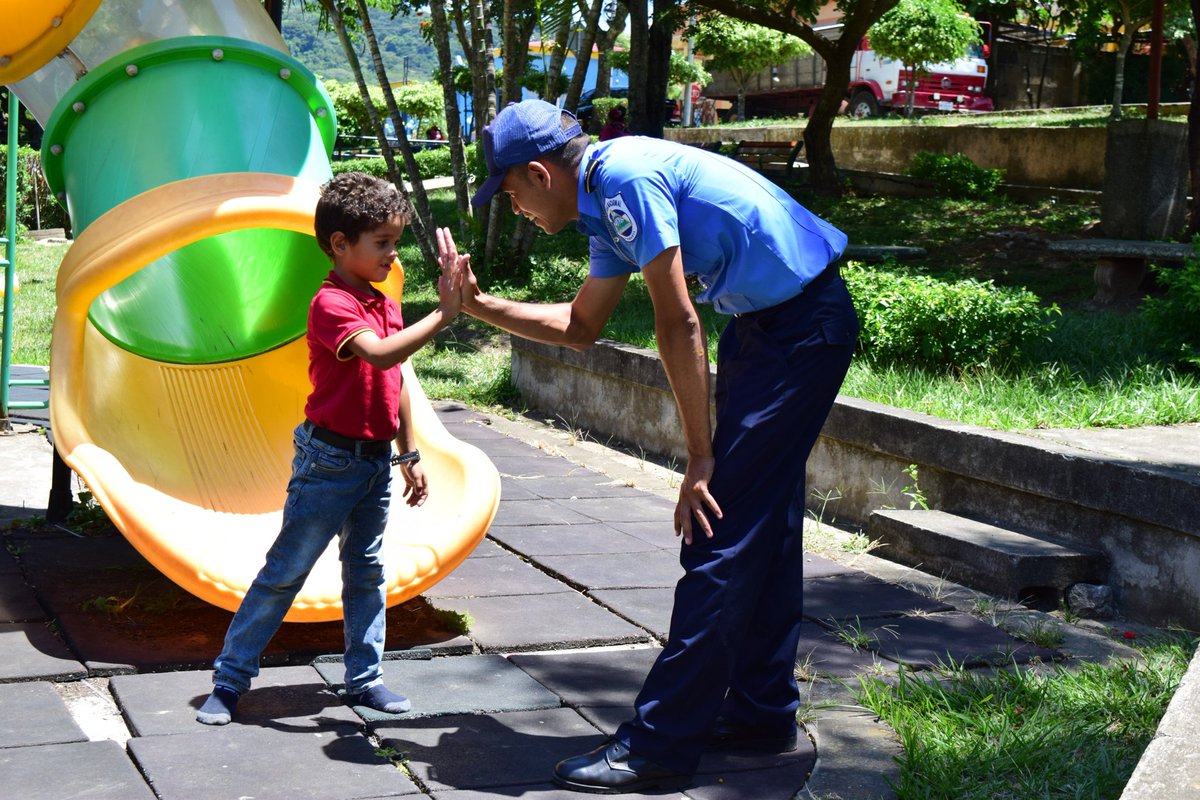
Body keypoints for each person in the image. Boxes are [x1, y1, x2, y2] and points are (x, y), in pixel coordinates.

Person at [456, 99, 859, 793]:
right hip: (768, 332)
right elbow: (581, 326)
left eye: (511, 193)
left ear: (537, 173)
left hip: (799, 330)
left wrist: (698, 456)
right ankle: (762, 714)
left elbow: (677, 322)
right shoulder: (605, 201)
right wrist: (475, 304)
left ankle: (659, 746)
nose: (513, 207)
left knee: (717, 533)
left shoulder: (625, 179)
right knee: (757, 529)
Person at [196, 172, 465, 726]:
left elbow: (398, 379)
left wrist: (408, 453)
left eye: (395, 241)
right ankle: (228, 681)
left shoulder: (381, 298)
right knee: (286, 571)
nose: (393, 254)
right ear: (341, 244)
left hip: (372, 463)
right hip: (329, 461)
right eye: (382, 243)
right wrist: (444, 313)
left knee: (366, 572)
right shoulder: (331, 304)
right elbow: (381, 356)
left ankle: (365, 680)